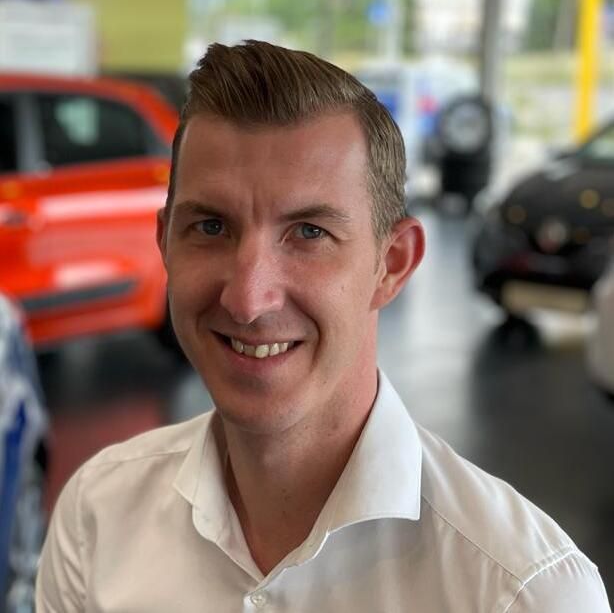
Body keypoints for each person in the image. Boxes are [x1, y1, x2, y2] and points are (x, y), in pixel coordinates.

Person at [36, 40, 610, 612]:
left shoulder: (524, 593)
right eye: (210, 227)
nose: (248, 300)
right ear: (165, 243)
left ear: (392, 264)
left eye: (309, 233)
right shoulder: (96, 517)